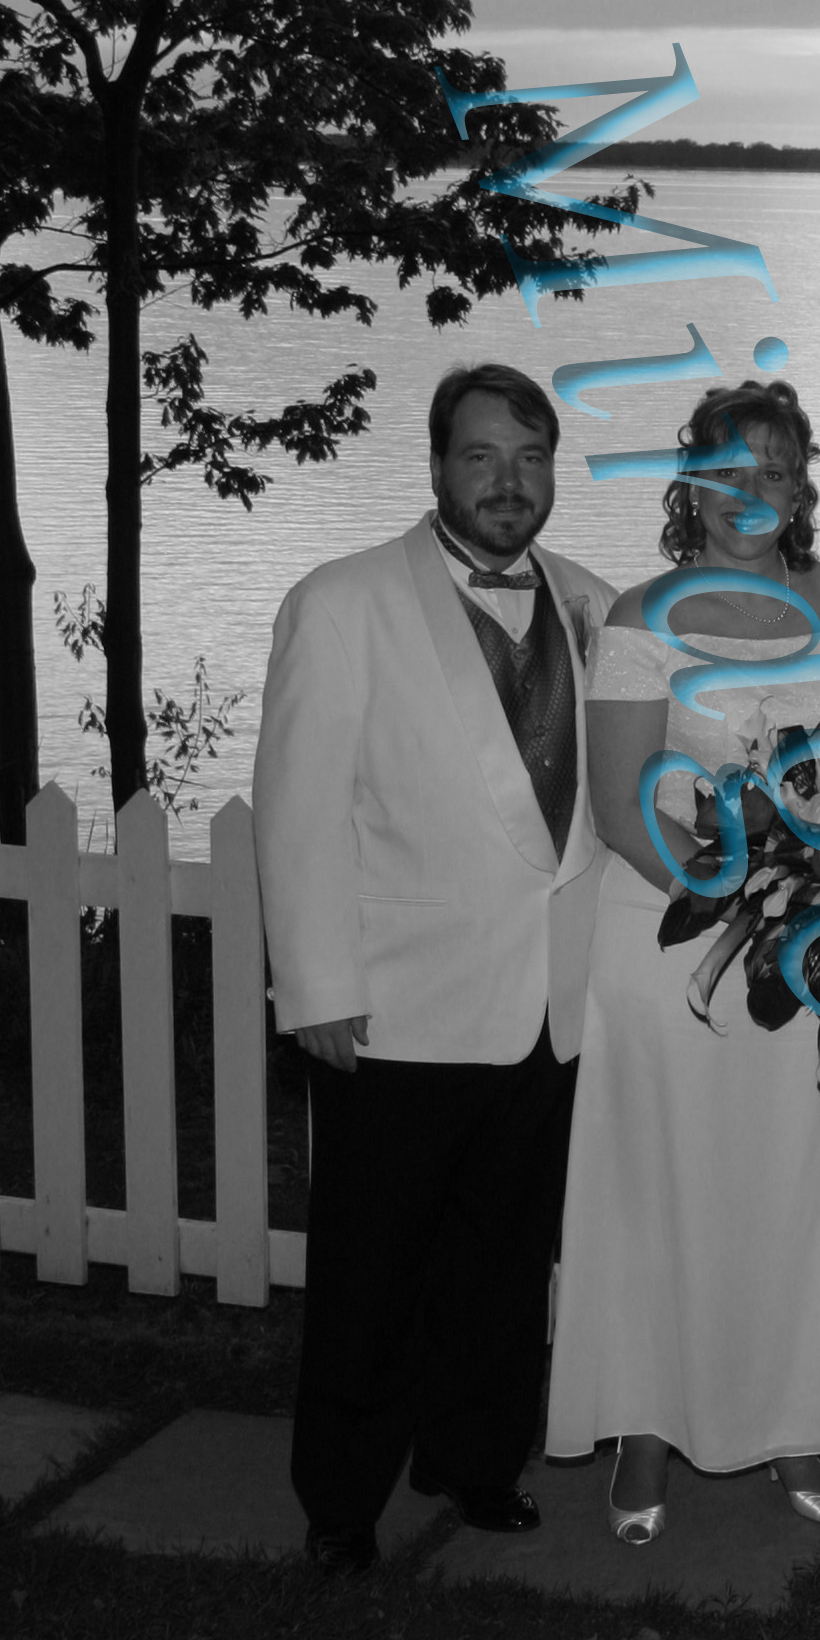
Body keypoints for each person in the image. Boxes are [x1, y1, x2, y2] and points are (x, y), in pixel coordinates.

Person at [254, 363, 614, 1576]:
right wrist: (316, 986)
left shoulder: (596, 604)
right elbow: (297, 810)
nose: (508, 482)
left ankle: (473, 1459)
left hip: (551, 1006)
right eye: (480, 456)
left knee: (504, 1262)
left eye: (530, 457)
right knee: (371, 1270)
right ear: (436, 466)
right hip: (396, 1005)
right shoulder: (341, 602)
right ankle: (342, 1499)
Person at [545, 378, 820, 1538]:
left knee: (800, 1190)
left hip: (815, 958)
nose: (755, 492)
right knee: (663, 1192)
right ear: (689, 483)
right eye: (730, 469)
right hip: (673, 952)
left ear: (802, 488)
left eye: (778, 470)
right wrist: (748, 903)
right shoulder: (641, 618)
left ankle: (797, 1424)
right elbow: (621, 806)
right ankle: (644, 1433)